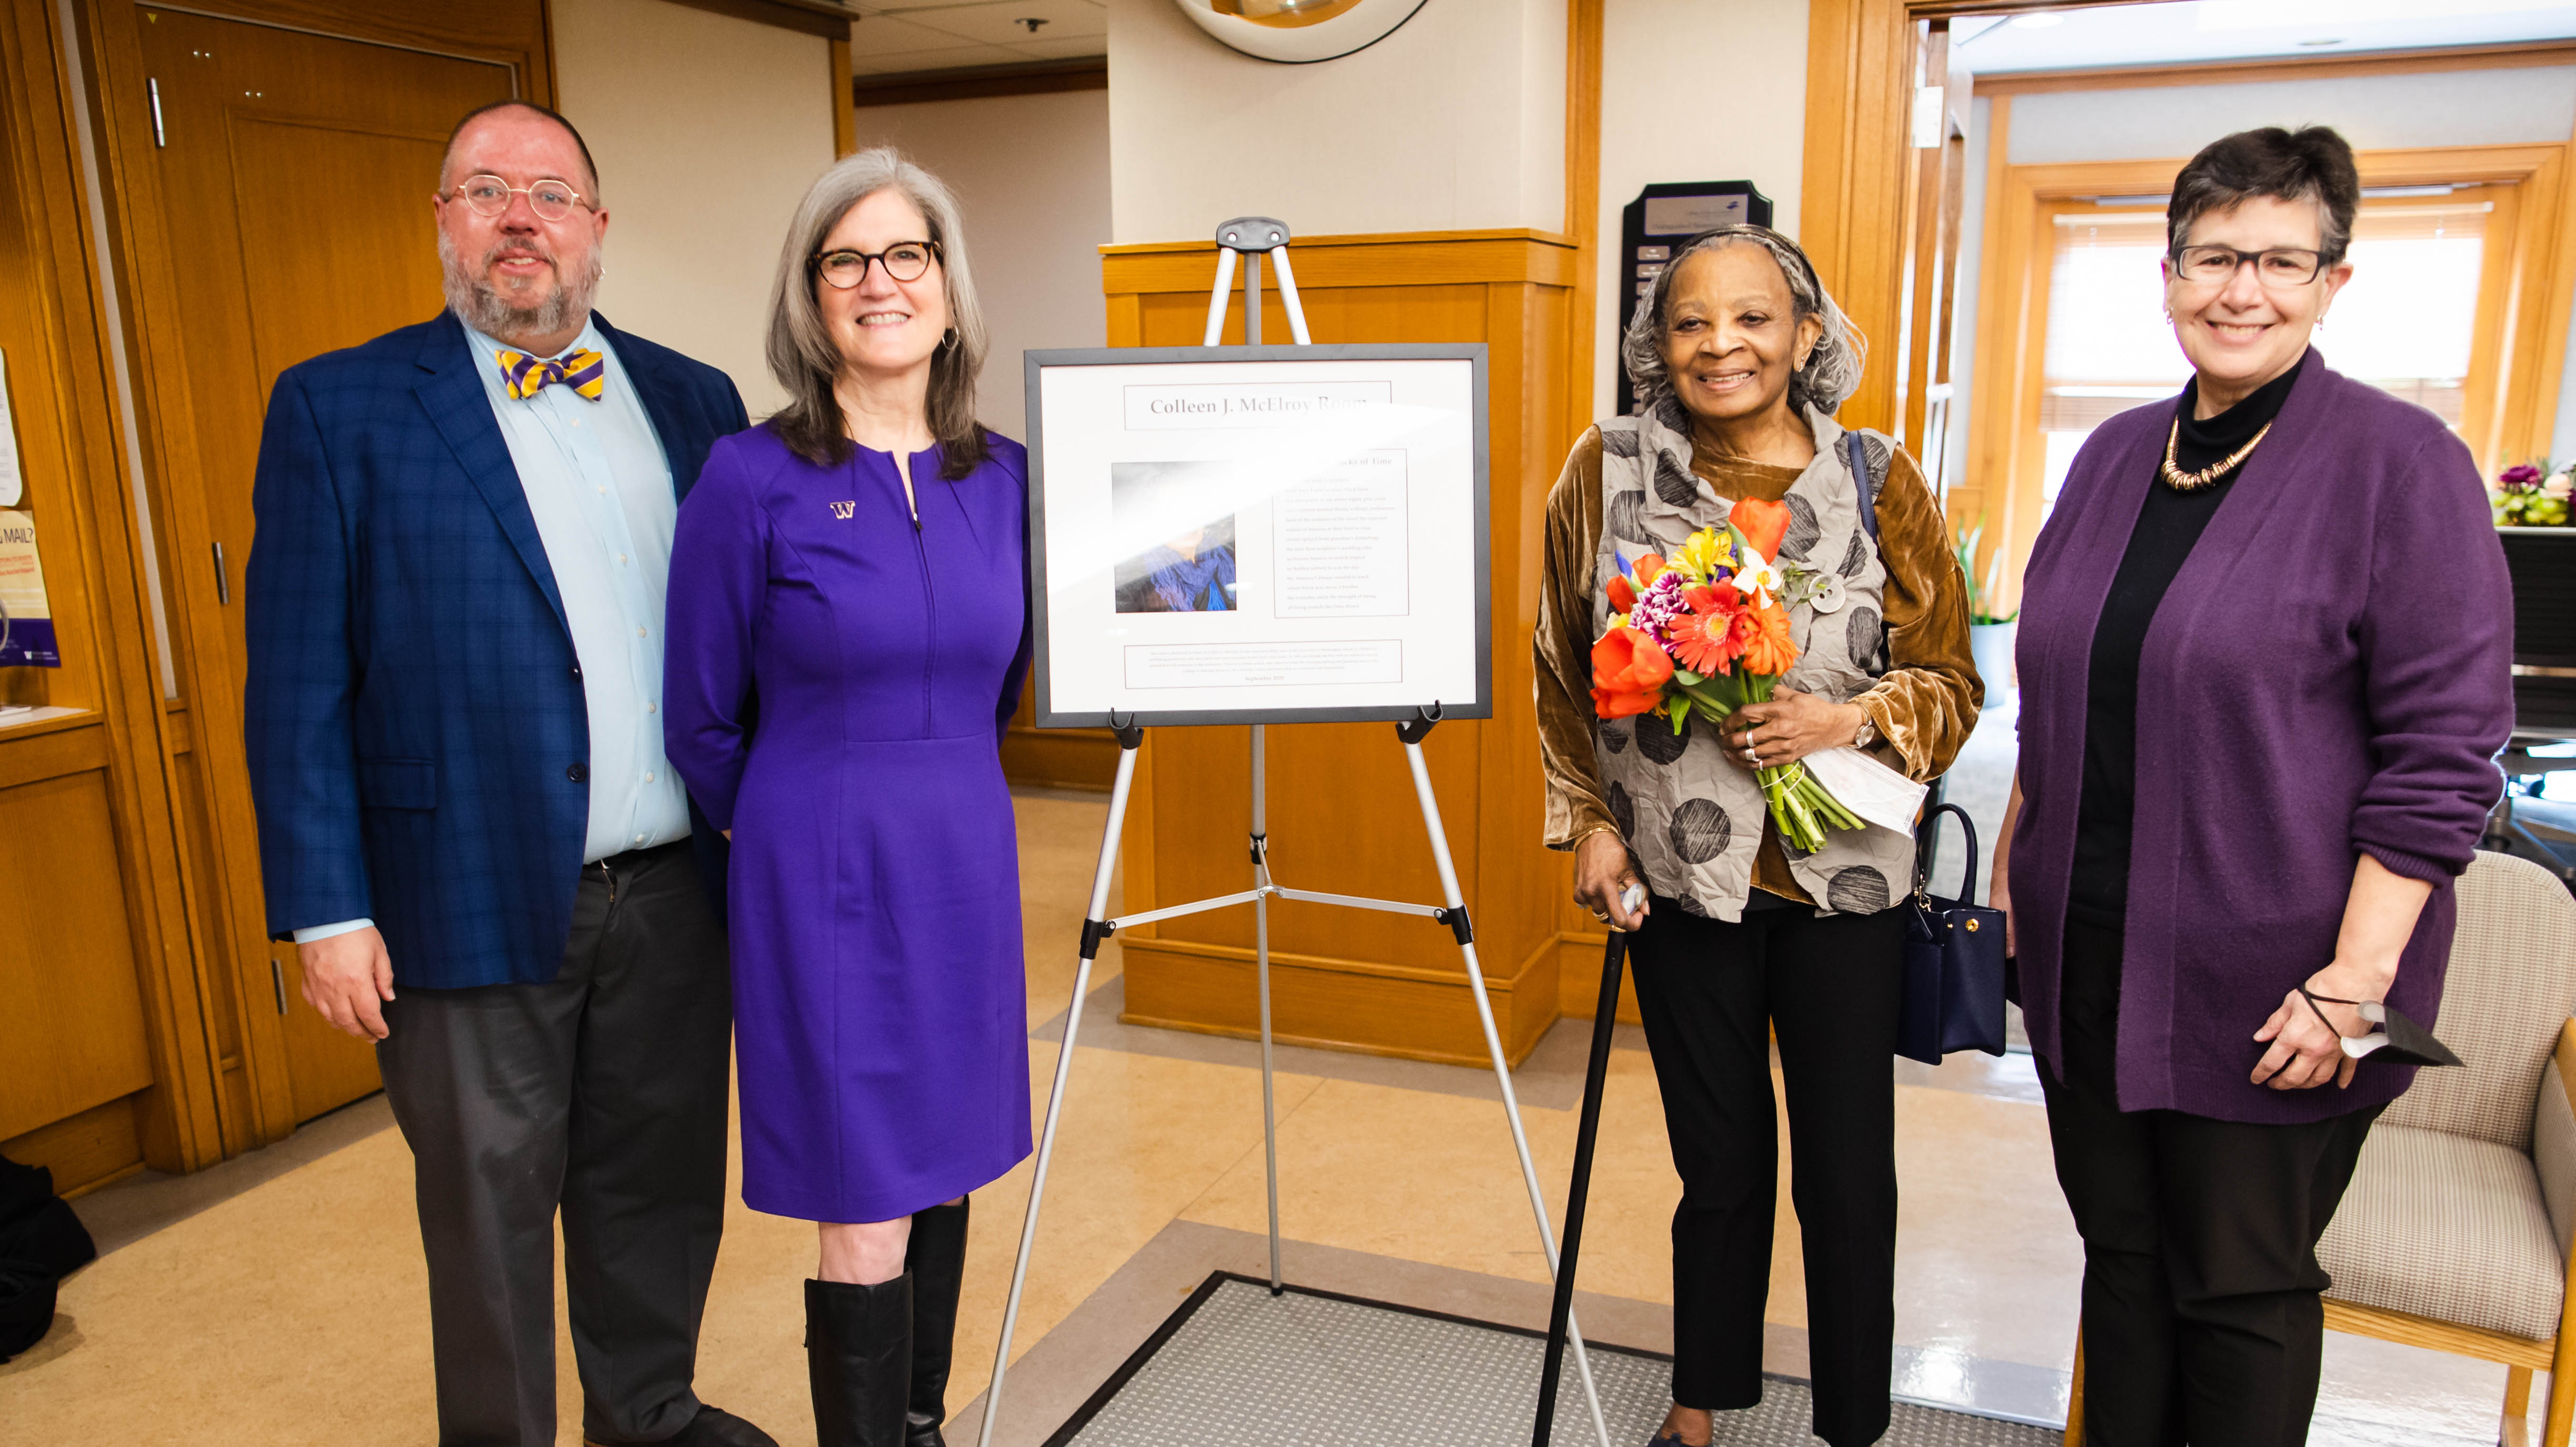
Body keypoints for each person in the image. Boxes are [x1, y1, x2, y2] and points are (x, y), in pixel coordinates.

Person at [242, 101, 771, 1447]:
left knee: (656, 1184)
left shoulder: (694, 397)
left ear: (598, 227)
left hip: (674, 891)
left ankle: (647, 1412)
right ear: (443, 222)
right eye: (485, 189)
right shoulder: (337, 408)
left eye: (549, 191)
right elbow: (297, 683)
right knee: (486, 1210)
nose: (519, 216)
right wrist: (325, 909)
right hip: (459, 893)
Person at [1990, 125, 2513, 1446]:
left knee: (2239, 1290)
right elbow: (2063, 681)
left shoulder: (2404, 466)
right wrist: (2015, 869)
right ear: (2167, 273)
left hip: (2281, 982)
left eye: (2283, 260)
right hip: (2086, 955)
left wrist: (2356, 984)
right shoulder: (2114, 454)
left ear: (2334, 281)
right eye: (2216, 256)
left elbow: (2445, 755)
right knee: (2123, 1263)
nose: (2244, 290)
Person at [1534, 226, 1981, 1446]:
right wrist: (1587, 822)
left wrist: (1851, 713)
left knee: (1848, 1175)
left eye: (1751, 318)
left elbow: (1953, 679)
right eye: (1690, 323)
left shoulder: (1880, 477)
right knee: (1718, 1163)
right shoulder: (1609, 468)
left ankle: (1852, 1423)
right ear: (1655, 344)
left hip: (1849, 888)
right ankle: (1701, 1402)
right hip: (1683, 880)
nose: (1721, 344)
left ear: (1805, 335)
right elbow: (1561, 673)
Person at [662, 147, 1031, 1447]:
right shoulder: (747, 480)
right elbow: (700, 722)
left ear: (946, 283)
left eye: (906, 256)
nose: (881, 283)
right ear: (811, 295)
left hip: (967, 865)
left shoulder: (1008, 476)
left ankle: (919, 1423)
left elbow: (1001, 688)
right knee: (864, 1196)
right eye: (848, 260)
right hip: (822, 879)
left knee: (950, 1167)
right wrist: (790, 828)